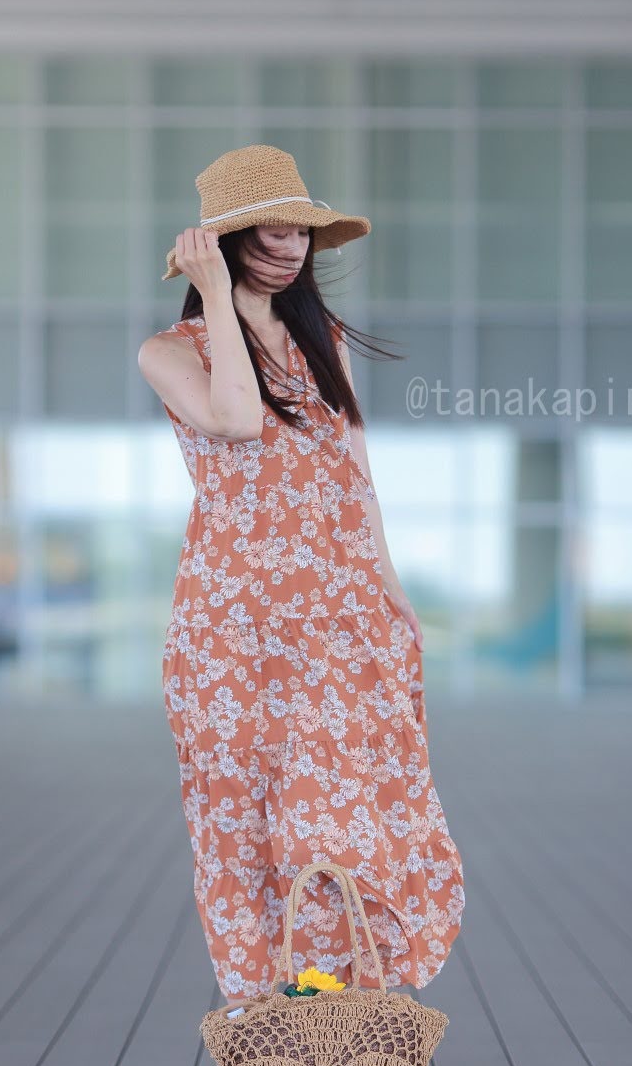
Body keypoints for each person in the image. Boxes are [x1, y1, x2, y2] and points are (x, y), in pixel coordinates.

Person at [138, 145, 464, 1011]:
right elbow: (236, 420)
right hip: (233, 630)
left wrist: (391, 593)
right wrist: (216, 298)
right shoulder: (169, 350)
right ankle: (283, 1012)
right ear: (223, 243)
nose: (290, 247)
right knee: (245, 821)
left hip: (338, 616)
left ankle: (334, 998)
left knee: (339, 812)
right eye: (269, 231)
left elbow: (356, 478)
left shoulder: (325, 344)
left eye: (300, 232)